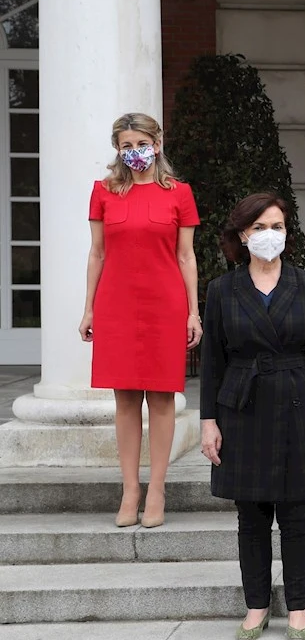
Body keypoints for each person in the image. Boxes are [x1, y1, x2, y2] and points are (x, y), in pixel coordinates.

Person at [199, 193, 305, 640]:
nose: (268, 235)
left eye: (276, 226)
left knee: (298, 515)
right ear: (243, 235)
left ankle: (298, 609)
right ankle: (256, 607)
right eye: (259, 228)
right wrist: (208, 421)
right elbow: (211, 362)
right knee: (252, 516)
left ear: (287, 233)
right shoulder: (222, 290)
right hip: (241, 406)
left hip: (298, 402)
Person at [79, 112, 201, 529]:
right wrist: (89, 307)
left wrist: (193, 311)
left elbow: (186, 256)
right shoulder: (103, 192)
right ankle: (130, 489)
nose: (135, 151)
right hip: (115, 303)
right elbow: (97, 253)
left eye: (141, 143)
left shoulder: (179, 194)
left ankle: (158, 489)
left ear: (158, 142)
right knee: (125, 399)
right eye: (126, 145)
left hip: (164, 305)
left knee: (162, 397)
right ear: (117, 148)